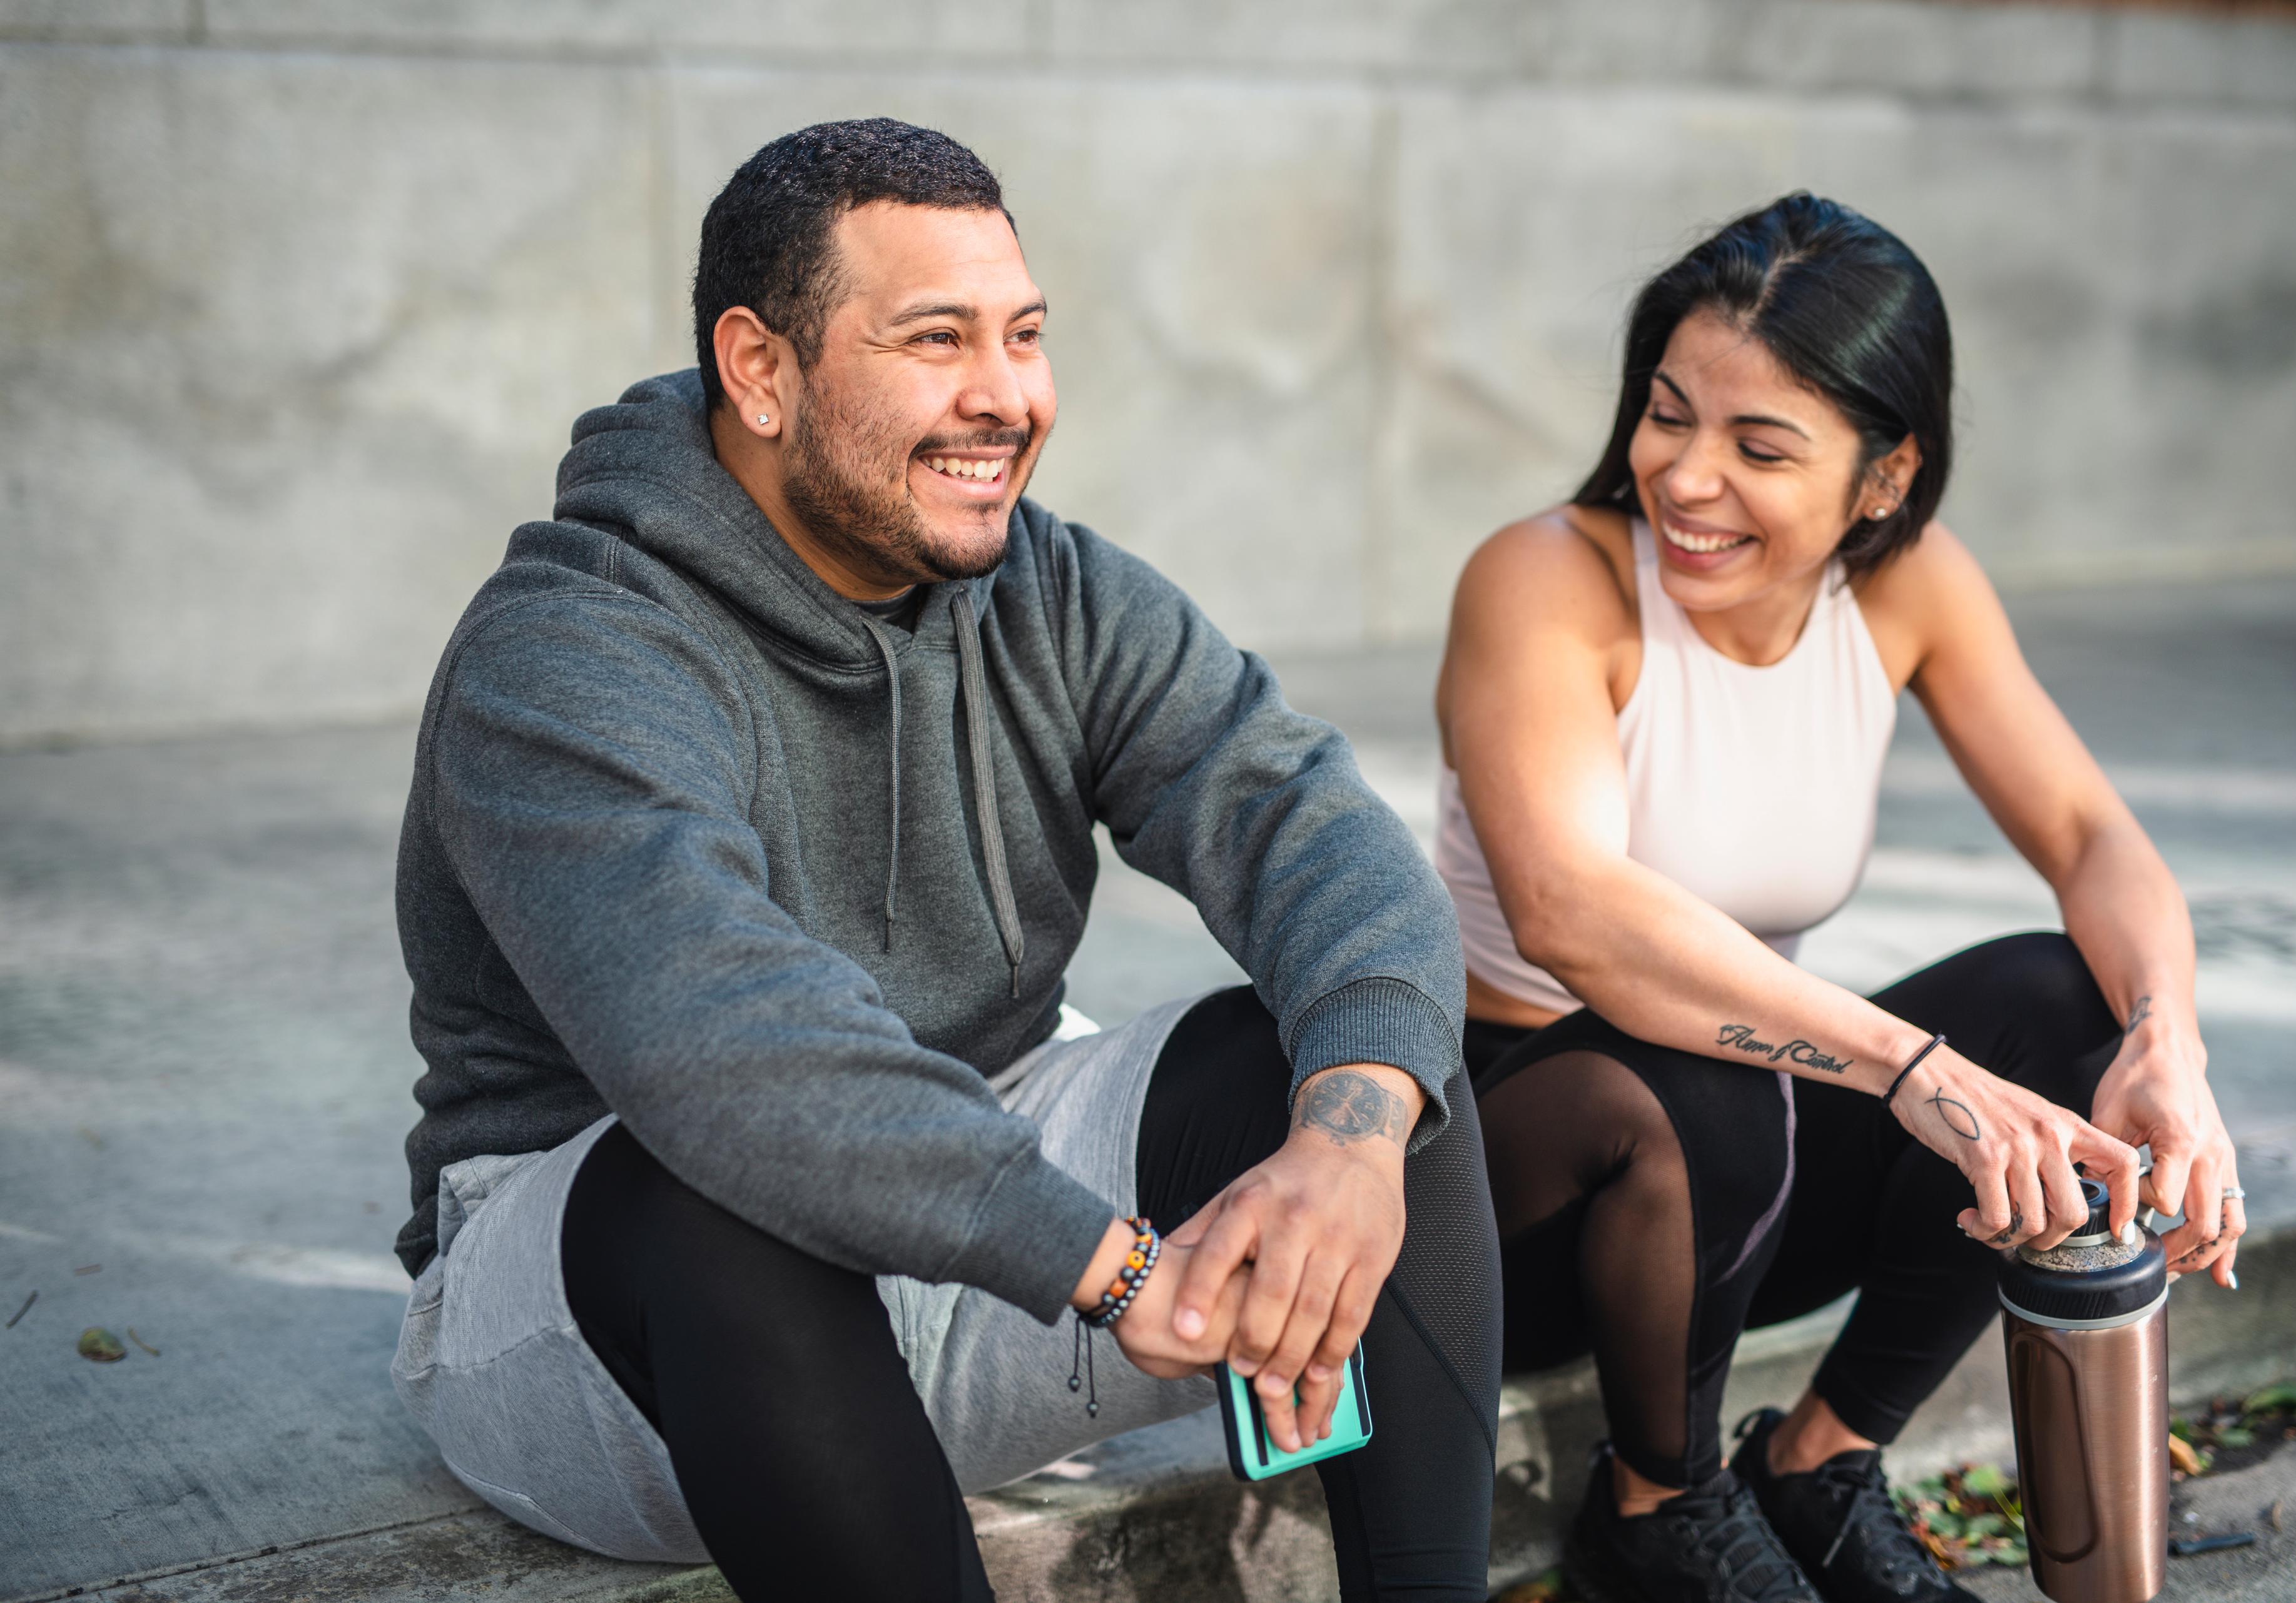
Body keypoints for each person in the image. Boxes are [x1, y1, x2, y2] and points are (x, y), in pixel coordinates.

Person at [389, 119, 1501, 1601]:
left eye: (1025, 335)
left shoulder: (1055, 586)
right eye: (935, 339)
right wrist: (1104, 1262)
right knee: (719, 1188)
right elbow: (727, 1054)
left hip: (977, 1216)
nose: (1007, 397)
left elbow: (1312, 824)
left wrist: (1351, 1143)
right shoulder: (568, 651)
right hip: (622, 1328)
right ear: (761, 370)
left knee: (1355, 1056)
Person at [1435, 195, 2242, 1603]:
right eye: (1667, 413)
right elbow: (1571, 909)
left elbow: (2089, 831)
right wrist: (1915, 1070)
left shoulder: (1909, 586)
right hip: (1513, 1184)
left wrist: (2166, 1037)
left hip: (1729, 1201)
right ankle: (1656, 1508)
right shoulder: (1546, 579)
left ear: (1882, 478)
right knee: (1725, 1062)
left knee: (2063, 1006)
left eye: (1759, 448)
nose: (1685, 478)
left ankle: (1815, 1460)